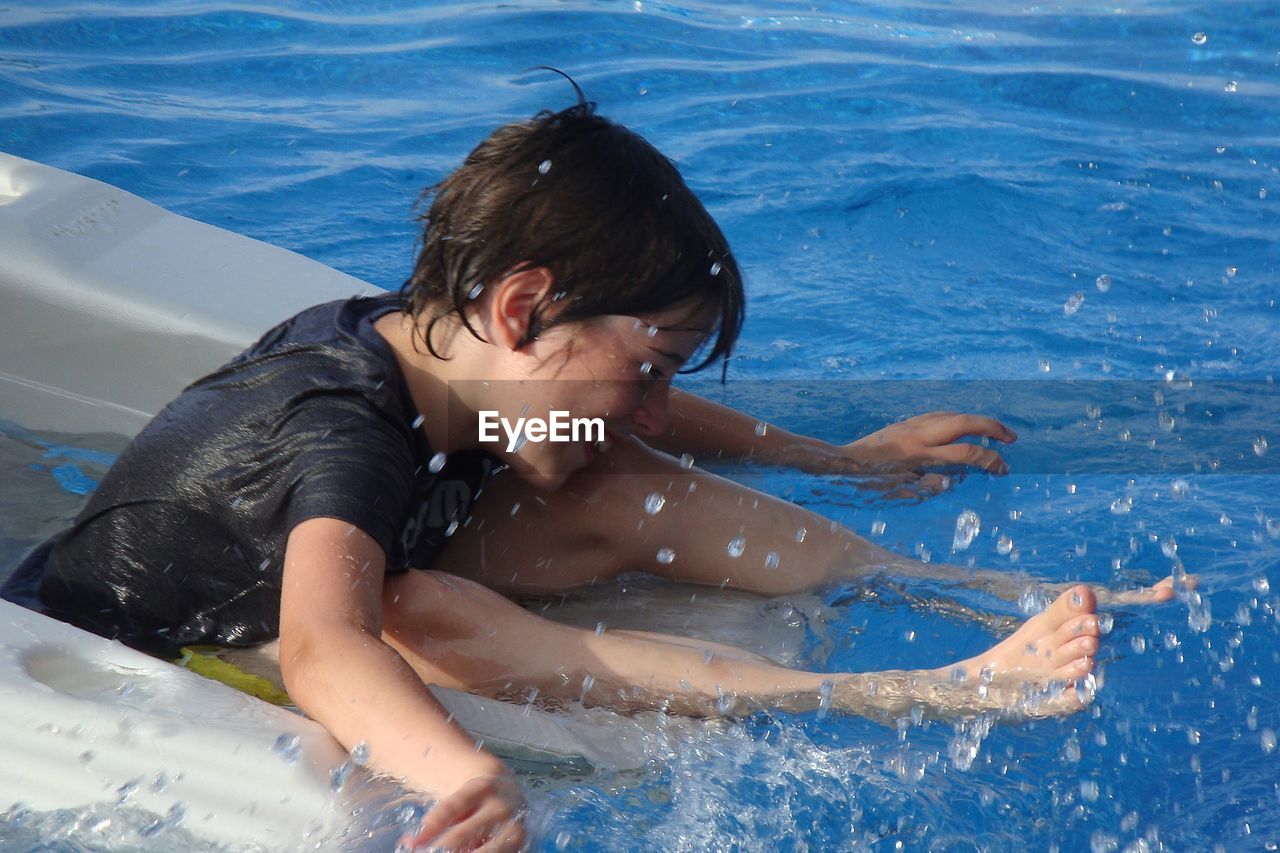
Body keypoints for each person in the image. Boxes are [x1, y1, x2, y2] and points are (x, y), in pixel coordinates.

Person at [6, 95, 1179, 852]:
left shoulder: (448, 358)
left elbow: (626, 427)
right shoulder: (338, 434)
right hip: (164, 644)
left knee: (609, 469)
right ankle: (927, 690)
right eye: (650, 363)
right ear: (523, 307)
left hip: (378, 541)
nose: (659, 403)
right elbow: (326, 644)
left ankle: (932, 582)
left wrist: (843, 459)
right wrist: (463, 777)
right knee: (425, 606)